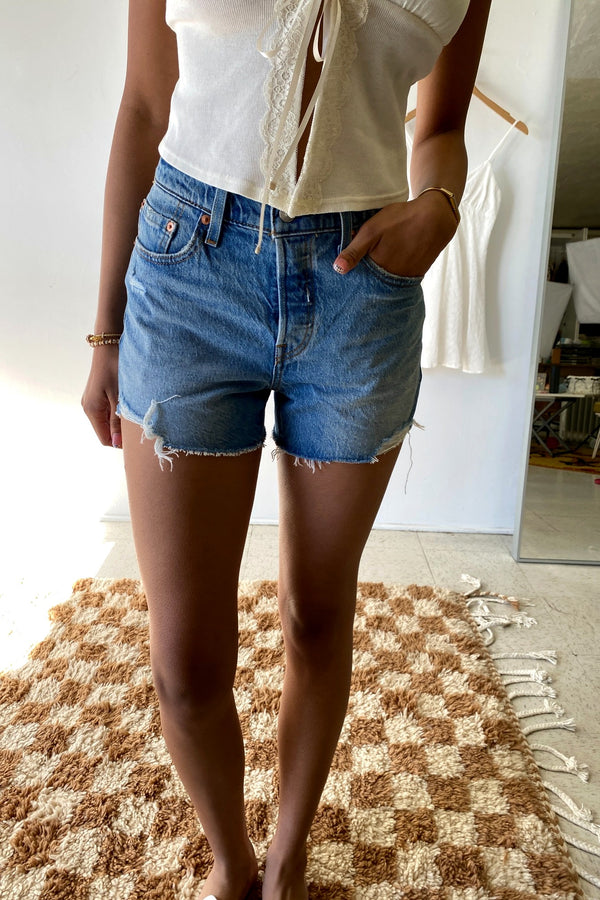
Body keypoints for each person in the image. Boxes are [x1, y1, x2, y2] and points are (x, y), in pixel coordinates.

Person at [82, 2, 493, 898]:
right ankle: (228, 858)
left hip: (362, 281)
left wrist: (444, 206)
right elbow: (145, 106)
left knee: (317, 612)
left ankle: (285, 853)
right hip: (191, 265)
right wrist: (107, 334)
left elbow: (446, 122)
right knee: (184, 660)